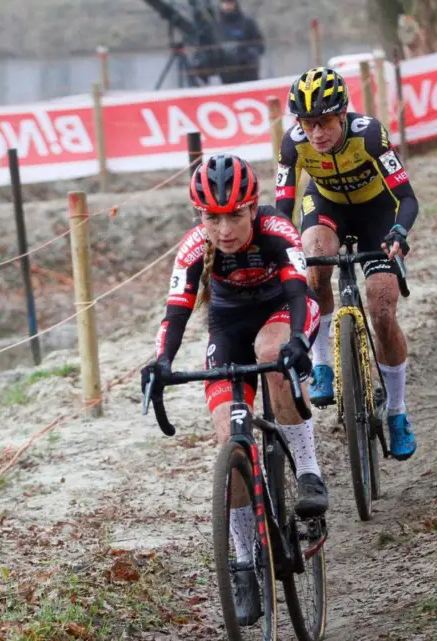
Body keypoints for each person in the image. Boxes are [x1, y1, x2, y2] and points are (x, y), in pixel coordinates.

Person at [141, 153, 328, 625]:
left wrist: (300, 344)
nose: (223, 229)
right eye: (212, 217)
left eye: (234, 216)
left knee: (272, 353)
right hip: (226, 326)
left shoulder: (276, 231)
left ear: (252, 208)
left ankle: (308, 470)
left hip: (282, 311)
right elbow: (175, 315)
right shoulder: (191, 249)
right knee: (228, 436)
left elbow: (299, 293)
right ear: (199, 216)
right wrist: (160, 363)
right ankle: (244, 560)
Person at [275, 66, 420, 461]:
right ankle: (322, 364)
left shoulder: (370, 135)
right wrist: (281, 252)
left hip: (377, 213)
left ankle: (396, 412)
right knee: (314, 262)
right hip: (327, 207)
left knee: (382, 308)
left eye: (324, 123)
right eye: (308, 124)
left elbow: (407, 198)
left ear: (342, 115)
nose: (316, 133)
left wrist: (399, 234)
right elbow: (282, 210)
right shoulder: (293, 145)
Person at [216, 0, 265, 83]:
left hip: (249, 72)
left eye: (230, 3)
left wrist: (248, 54)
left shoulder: (247, 22)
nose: (228, 6)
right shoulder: (216, 27)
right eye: (225, 3)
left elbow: (260, 46)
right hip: (227, 74)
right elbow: (213, 51)